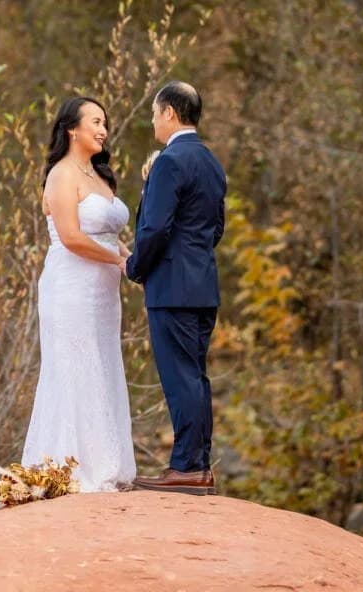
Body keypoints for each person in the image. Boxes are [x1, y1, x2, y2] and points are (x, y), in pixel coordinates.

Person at [20, 95, 137, 492]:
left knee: (103, 360)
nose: (103, 130)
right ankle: (70, 465)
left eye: (105, 123)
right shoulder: (61, 175)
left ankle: (107, 460)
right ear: (73, 128)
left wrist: (131, 260)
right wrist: (117, 262)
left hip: (103, 291)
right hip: (70, 285)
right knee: (74, 363)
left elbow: (110, 235)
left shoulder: (99, 177)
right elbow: (71, 237)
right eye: (96, 122)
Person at [124, 81, 226, 495]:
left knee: (181, 378)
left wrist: (135, 267)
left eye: (153, 114)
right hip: (203, 284)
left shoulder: (170, 161)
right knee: (195, 378)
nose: (152, 122)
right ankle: (196, 465)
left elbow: (155, 227)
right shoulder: (211, 162)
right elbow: (215, 228)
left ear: (169, 112)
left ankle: (186, 466)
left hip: (172, 288)